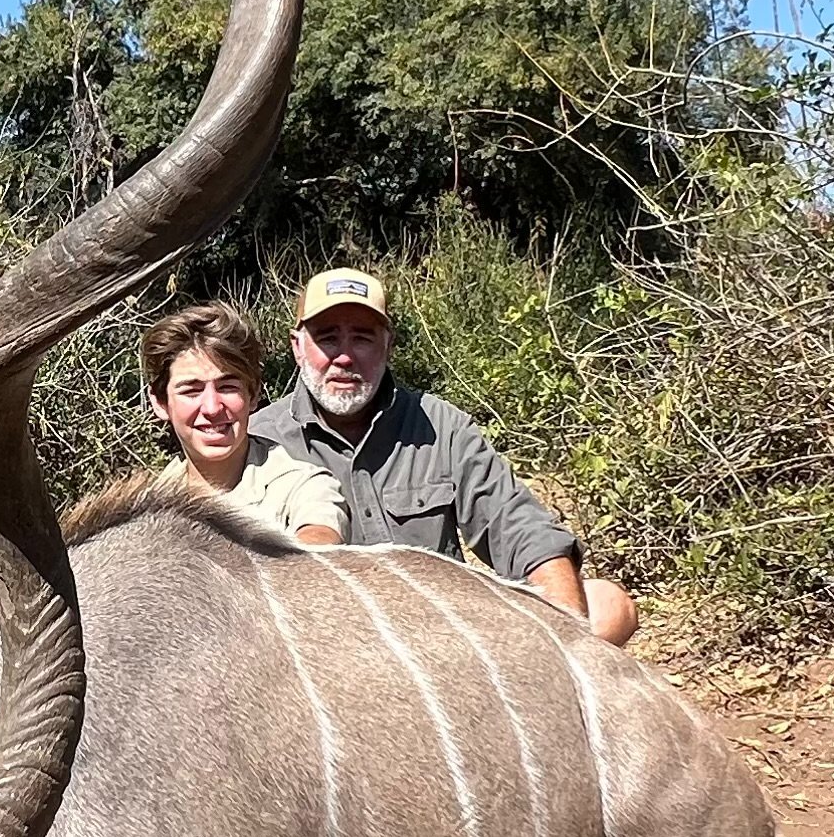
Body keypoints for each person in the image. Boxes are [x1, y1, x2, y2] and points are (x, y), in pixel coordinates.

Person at [250, 267, 637, 646]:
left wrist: (565, 632)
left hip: (446, 638)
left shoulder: (440, 425)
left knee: (607, 606)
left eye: (363, 338)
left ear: (388, 344)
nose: (345, 358)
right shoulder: (260, 438)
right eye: (328, 338)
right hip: (333, 645)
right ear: (297, 346)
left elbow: (519, 527)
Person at [140, 303, 345, 544]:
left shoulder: (301, 485)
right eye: (191, 391)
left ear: (254, 393)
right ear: (160, 402)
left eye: (227, 387)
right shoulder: (146, 507)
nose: (212, 408)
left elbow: (321, 536)